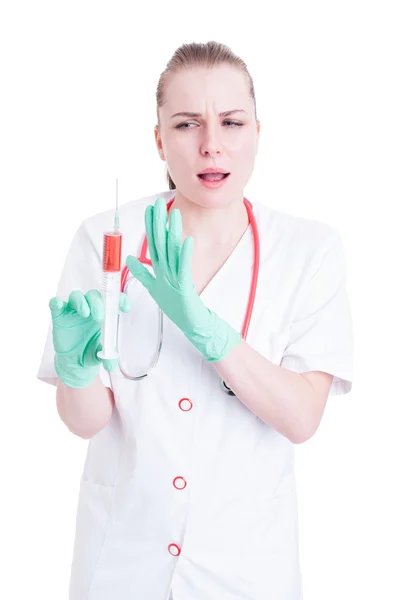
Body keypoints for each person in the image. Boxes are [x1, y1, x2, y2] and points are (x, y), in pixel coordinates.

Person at [37, 40, 354, 600]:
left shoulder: (310, 250)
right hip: (122, 563)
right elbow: (85, 422)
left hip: (247, 568)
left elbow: (303, 418)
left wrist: (204, 327)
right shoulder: (107, 239)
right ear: (159, 140)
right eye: (186, 125)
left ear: (258, 132)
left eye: (232, 122)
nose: (212, 145)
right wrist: (76, 369)